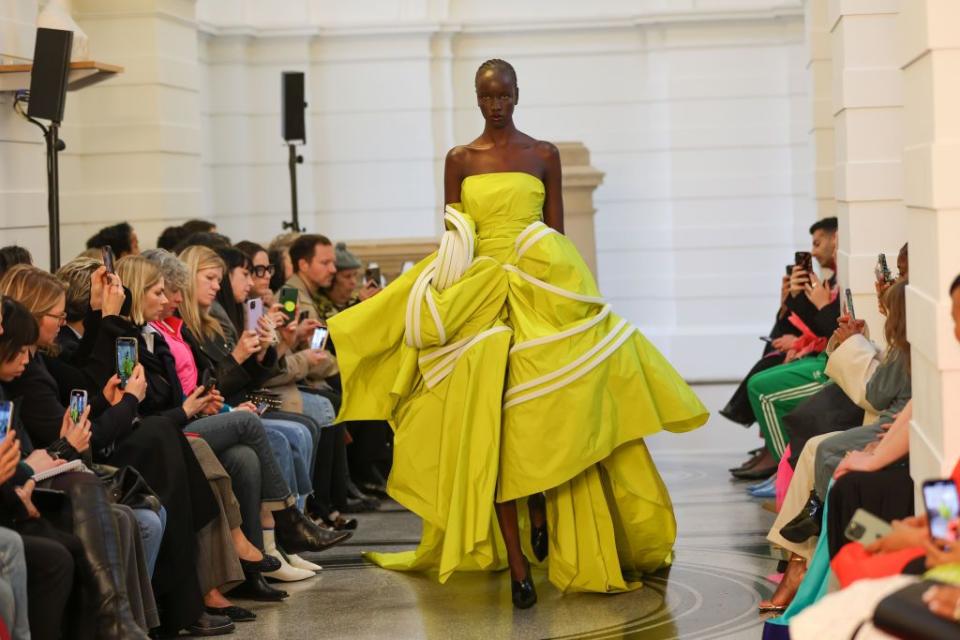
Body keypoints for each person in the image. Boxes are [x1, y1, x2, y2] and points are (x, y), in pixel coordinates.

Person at [327, 58, 708, 608]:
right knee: (489, 429)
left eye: (503, 95)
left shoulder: (543, 154)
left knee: (542, 417)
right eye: (486, 97)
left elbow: (555, 230)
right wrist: (436, 294)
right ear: (476, 99)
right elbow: (455, 234)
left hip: (535, 290)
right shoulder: (460, 158)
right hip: (480, 299)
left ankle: (537, 513)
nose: (495, 105)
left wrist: (561, 291)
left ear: (517, 95)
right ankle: (519, 567)